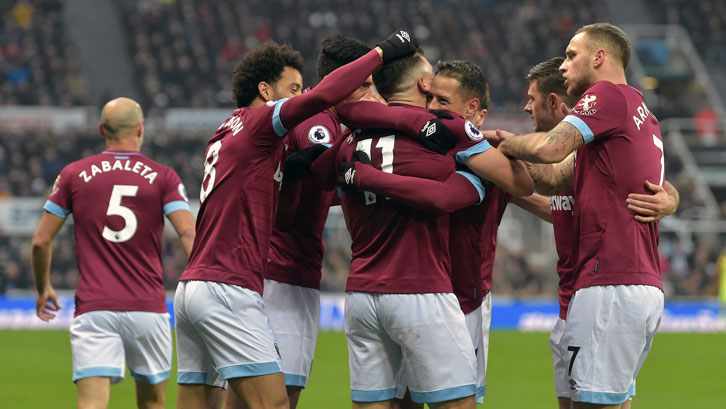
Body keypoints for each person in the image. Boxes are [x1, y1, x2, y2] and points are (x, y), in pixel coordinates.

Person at [173, 32, 417, 409]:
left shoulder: (227, 130)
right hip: (237, 283)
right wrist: (382, 52)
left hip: (193, 286)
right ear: (267, 92)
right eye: (294, 89)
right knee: (274, 403)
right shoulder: (263, 127)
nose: (301, 98)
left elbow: (280, 204)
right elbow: (321, 98)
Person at [317, 49, 533, 409]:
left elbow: (341, 116)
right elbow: (520, 184)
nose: (434, 102)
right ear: (422, 83)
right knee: (458, 403)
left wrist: (368, 177)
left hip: (361, 294)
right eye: (431, 91)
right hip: (422, 289)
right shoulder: (446, 133)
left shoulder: (350, 138)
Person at [498, 23, 668, 408]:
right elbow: (558, 179)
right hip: (632, 283)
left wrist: (502, 142)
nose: (564, 65)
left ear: (599, 57)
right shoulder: (641, 113)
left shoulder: (607, 94)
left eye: (572, 55)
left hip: (609, 282)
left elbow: (551, 149)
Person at [31, 97, 196, 409]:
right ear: (140, 129)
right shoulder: (163, 176)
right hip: (148, 307)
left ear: (101, 129)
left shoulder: (73, 174)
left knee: (92, 403)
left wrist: (44, 287)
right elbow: (187, 231)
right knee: (152, 403)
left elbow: (41, 241)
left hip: (95, 309)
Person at [264, 34, 374, 409]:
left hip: (276, 272)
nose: (373, 96)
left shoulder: (309, 116)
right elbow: (324, 176)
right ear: (347, 81)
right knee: (280, 399)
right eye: (368, 85)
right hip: (284, 276)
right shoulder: (319, 124)